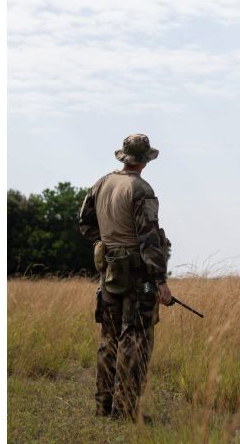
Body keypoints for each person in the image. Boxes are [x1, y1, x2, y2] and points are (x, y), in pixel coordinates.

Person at [78, 134, 172, 422]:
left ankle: (104, 406)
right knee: (136, 339)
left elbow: (84, 222)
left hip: (109, 272)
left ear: (124, 157)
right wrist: (160, 281)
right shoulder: (142, 189)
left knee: (110, 338)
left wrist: (108, 245)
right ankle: (127, 410)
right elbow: (148, 240)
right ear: (145, 160)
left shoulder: (102, 183)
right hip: (137, 276)